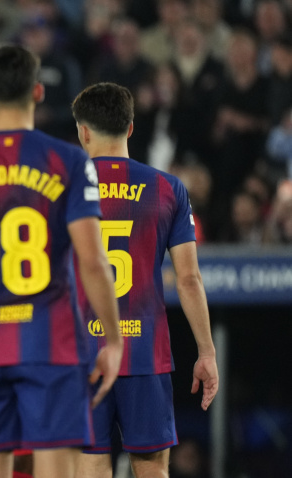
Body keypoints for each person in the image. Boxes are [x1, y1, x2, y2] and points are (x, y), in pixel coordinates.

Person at [0, 44, 123, 478]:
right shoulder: (69, 161)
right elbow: (92, 261)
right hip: (52, 344)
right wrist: (113, 339)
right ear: (39, 91)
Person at [71, 82, 219, 478]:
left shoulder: (63, 189)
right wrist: (206, 352)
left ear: (83, 132)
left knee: (89, 468)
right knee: (152, 470)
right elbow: (189, 280)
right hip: (145, 354)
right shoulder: (167, 188)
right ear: (131, 127)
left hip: (82, 355)